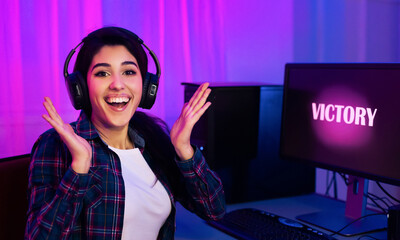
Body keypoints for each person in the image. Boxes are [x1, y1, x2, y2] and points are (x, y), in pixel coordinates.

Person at [25, 26, 225, 240]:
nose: (117, 85)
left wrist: (184, 149)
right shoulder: (55, 145)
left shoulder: (153, 142)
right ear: (80, 87)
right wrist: (79, 169)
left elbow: (214, 210)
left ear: (147, 86)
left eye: (129, 72)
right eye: (102, 73)